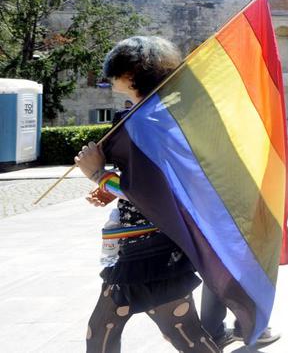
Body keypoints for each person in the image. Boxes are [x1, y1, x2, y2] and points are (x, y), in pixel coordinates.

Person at [74, 36, 218, 353]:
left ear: (132, 73)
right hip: (149, 247)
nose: (109, 79)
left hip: (148, 249)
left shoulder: (145, 121)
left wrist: (99, 175)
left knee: (109, 333)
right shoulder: (157, 117)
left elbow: (146, 191)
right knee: (175, 334)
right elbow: (143, 181)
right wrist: (110, 186)